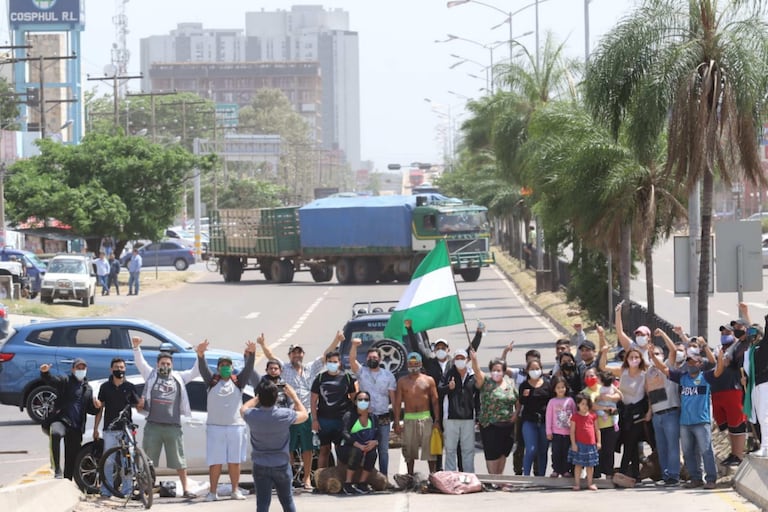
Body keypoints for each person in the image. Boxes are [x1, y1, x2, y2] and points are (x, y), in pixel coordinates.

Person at [257, 332, 343, 489]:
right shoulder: (285, 369)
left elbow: (325, 356)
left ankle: (307, 479)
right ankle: (289, 477)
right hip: (291, 413)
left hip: (308, 412)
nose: (297, 355)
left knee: (307, 448)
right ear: (290, 355)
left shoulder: (310, 368)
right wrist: (263, 344)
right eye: (293, 353)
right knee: (289, 448)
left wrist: (336, 339)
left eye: (299, 352)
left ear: (303, 354)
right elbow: (272, 358)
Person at [132, 336, 202, 498]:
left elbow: (195, 371)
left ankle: (186, 490)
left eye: (168, 364)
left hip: (173, 427)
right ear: (157, 365)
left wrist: (200, 355)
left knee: (180, 461)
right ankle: (143, 490)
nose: (165, 366)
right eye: (162, 364)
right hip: (153, 426)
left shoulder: (178, 377)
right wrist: (136, 348)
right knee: (147, 461)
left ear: (172, 365)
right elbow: (140, 363)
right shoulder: (151, 375)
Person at [650, 347, 723, 489]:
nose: (690, 365)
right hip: (685, 422)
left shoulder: (706, 377)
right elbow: (664, 369)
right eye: (688, 362)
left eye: (693, 362)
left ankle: (711, 479)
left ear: (700, 364)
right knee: (688, 452)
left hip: (701, 421)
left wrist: (720, 358)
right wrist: (653, 358)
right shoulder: (682, 377)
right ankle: (695, 478)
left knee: (706, 451)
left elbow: (719, 371)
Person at [197, 340, 256, 501]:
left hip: (235, 427)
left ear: (231, 368)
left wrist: (252, 354)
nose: (225, 367)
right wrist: (200, 355)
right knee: (215, 462)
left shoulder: (238, 381)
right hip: (215, 428)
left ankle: (235, 490)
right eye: (222, 365)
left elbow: (249, 369)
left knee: (234, 461)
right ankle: (212, 492)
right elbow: (203, 369)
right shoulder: (212, 381)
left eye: (228, 365)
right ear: (218, 368)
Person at [242, 380, 308, 512]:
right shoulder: (284, 414)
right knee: (287, 501)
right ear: (276, 397)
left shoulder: (252, 415)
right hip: (281, 464)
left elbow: (243, 409)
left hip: (260, 464)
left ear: (259, 396)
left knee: (262, 504)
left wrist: (257, 398)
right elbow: (304, 415)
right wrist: (294, 397)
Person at [40, 358, 99, 480]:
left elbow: (90, 410)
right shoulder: (65, 381)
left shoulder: (88, 389)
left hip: (76, 426)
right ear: (73, 369)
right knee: (55, 433)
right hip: (61, 420)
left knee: (72, 457)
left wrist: (96, 407)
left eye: (83, 368)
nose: (81, 370)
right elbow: (52, 381)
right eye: (78, 368)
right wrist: (45, 373)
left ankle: (67, 479)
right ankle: (56, 469)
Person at [93, 357, 143, 496]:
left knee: (127, 461)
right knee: (108, 461)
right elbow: (100, 408)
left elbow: (138, 405)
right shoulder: (105, 387)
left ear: (125, 369)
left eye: (121, 367)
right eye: (116, 367)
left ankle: (127, 491)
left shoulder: (129, 387)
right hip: (110, 429)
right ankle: (106, 491)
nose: (119, 370)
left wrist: (142, 403)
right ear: (111, 369)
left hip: (126, 429)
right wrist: (96, 428)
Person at [599, 344, 649, 481]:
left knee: (631, 442)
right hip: (624, 412)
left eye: (637, 357)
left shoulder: (645, 374)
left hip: (638, 413)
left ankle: (622, 471)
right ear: (626, 359)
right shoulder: (623, 371)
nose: (634, 359)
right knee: (629, 443)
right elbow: (603, 367)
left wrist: (649, 411)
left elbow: (649, 394)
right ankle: (634, 474)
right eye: (631, 357)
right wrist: (604, 352)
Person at [349, 338, 396, 478]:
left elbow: (393, 398)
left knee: (383, 450)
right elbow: (352, 360)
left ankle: (383, 478)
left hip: (383, 416)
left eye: (375, 357)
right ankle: (366, 478)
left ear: (380, 359)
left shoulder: (388, 375)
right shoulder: (361, 372)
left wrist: (397, 418)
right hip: (366, 418)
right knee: (366, 448)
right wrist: (354, 346)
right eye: (369, 357)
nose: (372, 359)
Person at [471, 349, 518, 475]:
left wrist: (516, 413)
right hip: (490, 424)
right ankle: (493, 479)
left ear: (503, 371)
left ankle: (499, 478)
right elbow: (476, 371)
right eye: (494, 370)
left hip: (507, 425)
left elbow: (517, 401)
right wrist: (474, 359)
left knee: (503, 452)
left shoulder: (510, 383)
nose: (496, 372)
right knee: (492, 453)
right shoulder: (485, 382)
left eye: (499, 370)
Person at [393, 352, 440, 475]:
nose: (413, 366)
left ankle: (432, 475)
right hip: (409, 419)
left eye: (416, 363)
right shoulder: (402, 381)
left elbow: (435, 401)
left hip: (425, 418)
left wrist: (437, 420)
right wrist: (397, 422)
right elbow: (397, 403)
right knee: (409, 450)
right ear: (407, 365)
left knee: (429, 450)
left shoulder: (429, 380)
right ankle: (410, 476)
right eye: (411, 364)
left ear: (420, 364)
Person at [311, 350, 357, 469]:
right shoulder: (320, 378)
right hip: (324, 420)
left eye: (335, 362)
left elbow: (354, 399)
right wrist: (315, 420)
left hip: (342, 420)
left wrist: (356, 417)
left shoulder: (347, 377)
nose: (332, 364)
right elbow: (313, 400)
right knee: (324, 450)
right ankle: (321, 479)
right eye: (330, 362)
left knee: (341, 451)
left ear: (339, 362)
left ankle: (340, 480)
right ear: (326, 363)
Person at [645, 336, 682, 486]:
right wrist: (649, 411)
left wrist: (663, 335)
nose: (653, 356)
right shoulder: (648, 371)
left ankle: (674, 475)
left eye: (657, 354)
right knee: (661, 447)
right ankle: (666, 475)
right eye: (651, 355)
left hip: (670, 412)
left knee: (673, 446)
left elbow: (673, 350)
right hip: (657, 414)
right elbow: (649, 393)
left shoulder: (668, 365)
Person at [437, 348, 477, 473]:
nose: (460, 361)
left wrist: (479, 417)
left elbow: (478, 397)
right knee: (450, 449)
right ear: (454, 360)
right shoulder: (448, 374)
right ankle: (450, 475)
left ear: (467, 360)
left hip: (468, 418)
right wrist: (449, 387)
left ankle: (469, 475)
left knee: (468, 449)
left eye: (462, 358)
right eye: (457, 358)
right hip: (450, 418)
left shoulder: (472, 375)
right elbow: (439, 390)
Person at [583, 365, 621, 480]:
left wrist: (610, 398)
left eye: (592, 375)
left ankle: (609, 473)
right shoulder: (584, 392)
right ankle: (595, 475)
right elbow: (591, 406)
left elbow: (619, 395)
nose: (590, 377)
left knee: (609, 451)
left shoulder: (604, 387)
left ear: (597, 377)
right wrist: (605, 408)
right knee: (596, 452)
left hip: (609, 425)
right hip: (593, 427)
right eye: (587, 376)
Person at [340, 390, 380, 495]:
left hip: (367, 448)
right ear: (355, 402)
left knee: (373, 454)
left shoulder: (373, 417)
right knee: (356, 452)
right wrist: (358, 445)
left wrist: (374, 442)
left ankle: (362, 483)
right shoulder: (349, 416)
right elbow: (344, 433)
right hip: (349, 448)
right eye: (360, 399)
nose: (363, 401)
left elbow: (378, 434)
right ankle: (348, 484)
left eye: (366, 400)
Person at [518, 358, 551, 476]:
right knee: (531, 449)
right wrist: (524, 396)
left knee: (543, 451)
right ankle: (526, 476)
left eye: (537, 369)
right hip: (529, 421)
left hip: (544, 422)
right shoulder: (524, 385)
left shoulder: (547, 384)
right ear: (527, 371)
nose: (535, 371)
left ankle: (541, 476)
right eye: (532, 369)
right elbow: (520, 402)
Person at [743, 313, 768, 457]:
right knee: (759, 416)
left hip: (765, 383)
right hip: (755, 385)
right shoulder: (750, 351)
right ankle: (764, 445)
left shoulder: (763, 345)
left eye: (753, 332)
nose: (750, 335)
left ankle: (766, 447)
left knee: (765, 416)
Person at [568, 393, 601, 491]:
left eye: (586, 404)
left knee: (590, 466)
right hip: (579, 445)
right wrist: (573, 444)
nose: (585, 406)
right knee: (578, 465)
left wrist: (598, 442)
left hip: (591, 445)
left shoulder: (593, 416)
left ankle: (590, 483)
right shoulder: (575, 417)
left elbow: (597, 430)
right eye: (582, 404)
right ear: (578, 404)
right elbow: (572, 432)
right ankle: (577, 483)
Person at [546, 375, 576, 478]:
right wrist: (548, 431)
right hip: (556, 432)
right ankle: (556, 470)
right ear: (554, 389)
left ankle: (565, 470)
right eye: (558, 387)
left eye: (563, 387)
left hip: (568, 433)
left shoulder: (570, 401)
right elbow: (548, 417)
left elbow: (575, 415)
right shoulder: (552, 402)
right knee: (556, 452)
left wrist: (575, 430)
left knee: (567, 452)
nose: (561, 389)